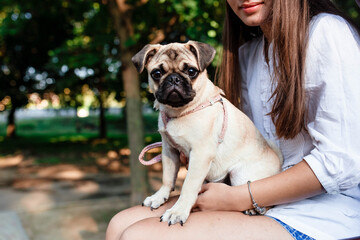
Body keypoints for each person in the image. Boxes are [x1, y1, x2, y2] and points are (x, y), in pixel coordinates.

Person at [106, 0, 360, 239]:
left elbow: (342, 162)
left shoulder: (325, 32)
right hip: (253, 191)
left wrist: (240, 197)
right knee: (119, 224)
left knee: (138, 235)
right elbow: (243, 145)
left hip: (325, 209)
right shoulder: (249, 53)